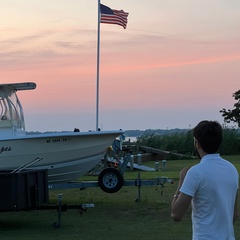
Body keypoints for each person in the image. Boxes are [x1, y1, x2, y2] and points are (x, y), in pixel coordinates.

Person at [171, 120, 239, 239]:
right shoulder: (231, 169)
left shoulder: (196, 172)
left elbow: (176, 214)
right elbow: (234, 214)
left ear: (197, 143)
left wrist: (182, 181)